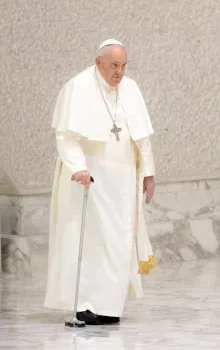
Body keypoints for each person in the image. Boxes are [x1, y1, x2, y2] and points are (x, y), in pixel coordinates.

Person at [44, 39, 157, 325]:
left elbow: (142, 138)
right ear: (98, 63)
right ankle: (84, 304)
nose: (119, 72)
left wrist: (148, 174)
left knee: (118, 239)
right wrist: (78, 167)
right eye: (113, 66)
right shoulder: (78, 87)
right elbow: (66, 136)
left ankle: (109, 306)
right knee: (91, 241)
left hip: (122, 179)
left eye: (123, 66)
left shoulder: (130, 88)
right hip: (90, 178)